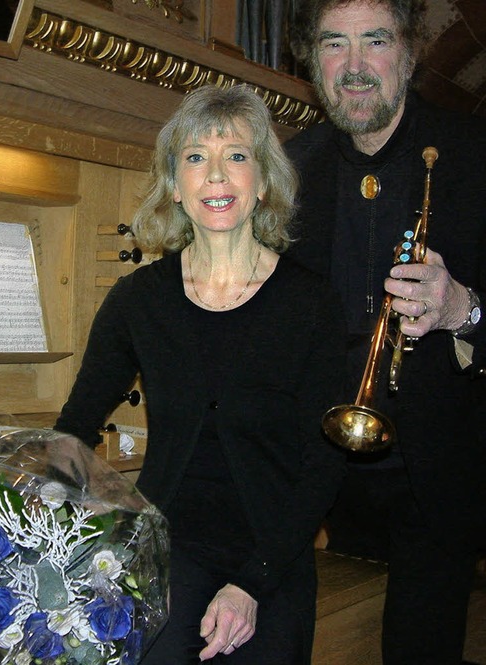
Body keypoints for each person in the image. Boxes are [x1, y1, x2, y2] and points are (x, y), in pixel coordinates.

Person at [54, 84, 347, 664]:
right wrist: (46, 518)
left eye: (237, 156)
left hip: (274, 549)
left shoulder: (311, 303)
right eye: (195, 157)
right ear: (175, 186)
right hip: (169, 545)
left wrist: (253, 584)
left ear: (263, 183)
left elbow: (324, 463)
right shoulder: (139, 300)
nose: (216, 175)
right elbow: (75, 427)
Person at [286, 1, 486, 663]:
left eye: (375, 41)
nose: (356, 67)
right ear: (312, 61)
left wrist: (463, 309)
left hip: (438, 476)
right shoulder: (287, 169)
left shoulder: (475, 157)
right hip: (318, 472)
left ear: (408, 51)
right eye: (334, 45)